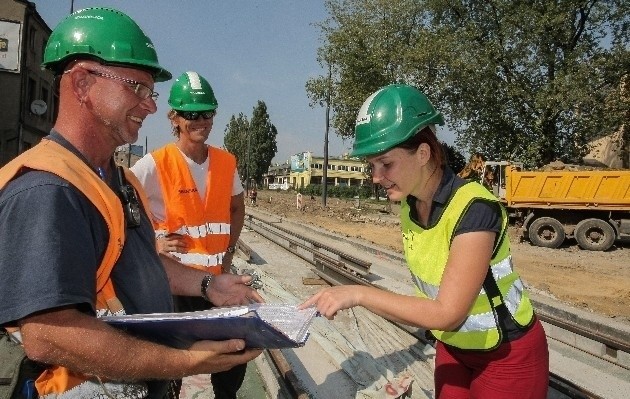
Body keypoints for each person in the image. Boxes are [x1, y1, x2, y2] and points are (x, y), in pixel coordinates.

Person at [0, 8, 261, 399]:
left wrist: (208, 284)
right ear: (84, 84)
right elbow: (50, 335)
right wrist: (185, 361)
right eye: (135, 87)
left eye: (150, 92)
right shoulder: (47, 188)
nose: (151, 106)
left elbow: (140, 262)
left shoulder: (118, 180)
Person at [300, 84, 549, 398]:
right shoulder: (409, 206)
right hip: (453, 346)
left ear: (423, 153)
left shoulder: (474, 208)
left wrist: (359, 293)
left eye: (386, 164)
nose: (376, 177)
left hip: (505, 352)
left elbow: (448, 312)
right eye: (372, 166)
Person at [131, 71, 247, 399]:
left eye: (207, 113)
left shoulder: (225, 163)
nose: (201, 121)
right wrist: (152, 243)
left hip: (216, 282)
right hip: (172, 286)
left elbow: (237, 209)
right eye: (192, 115)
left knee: (233, 355)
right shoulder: (153, 165)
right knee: (175, 364)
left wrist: (229, 250)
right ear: (175, 118)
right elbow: (120, 213)